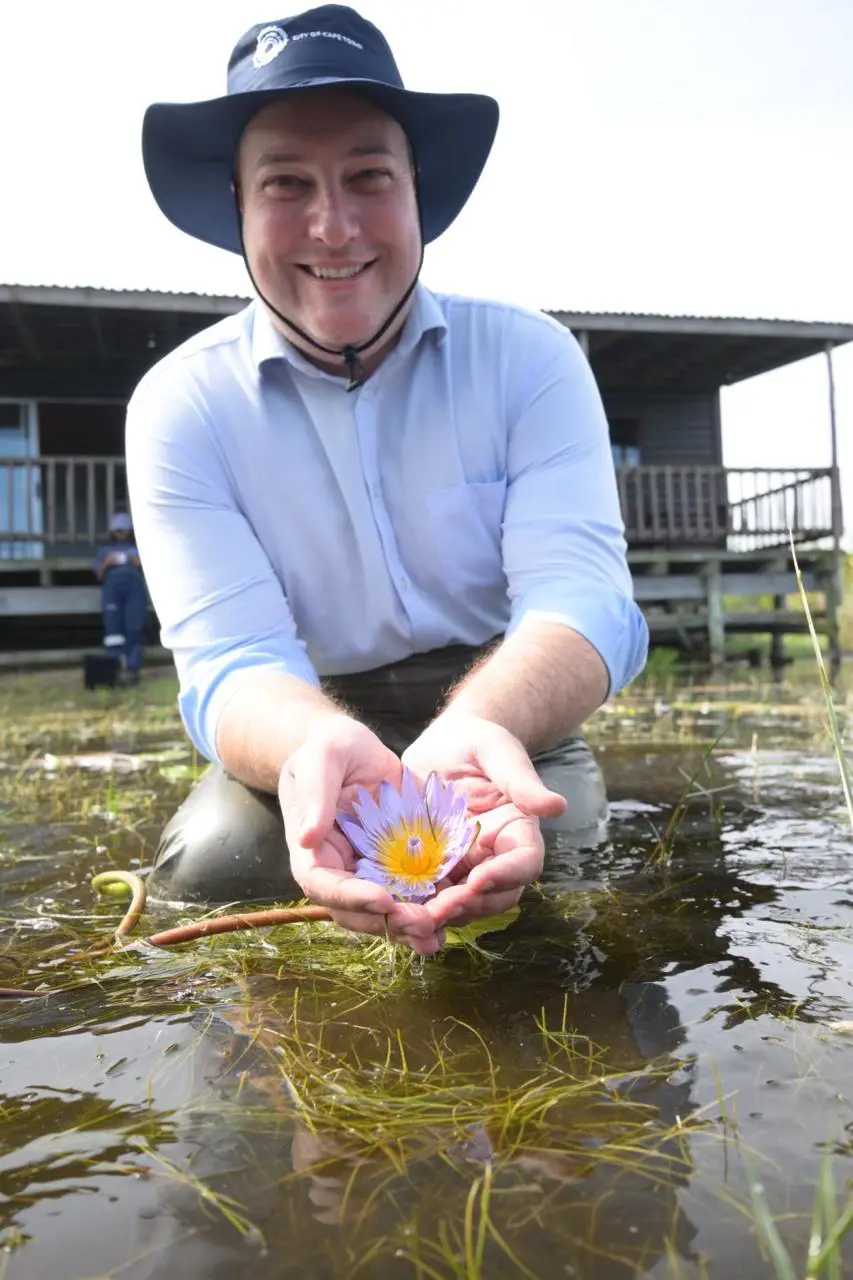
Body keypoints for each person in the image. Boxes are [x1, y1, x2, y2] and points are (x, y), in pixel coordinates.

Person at [127, 5, 649, 952]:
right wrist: (313, 748)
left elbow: (583, 599)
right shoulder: (178, 407)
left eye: (369, 175)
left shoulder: (531, 359)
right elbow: (231, 663)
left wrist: (478, 726)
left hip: (501, 705)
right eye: (286, 183)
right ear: (237, 208)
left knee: (554, 881)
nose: (333, 227)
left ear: (417, 192)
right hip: (308, 710)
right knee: (207, 870)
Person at [92, 511, 147, 685]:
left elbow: (150, 571)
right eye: (117, 530)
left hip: (134, 590)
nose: (120, 533)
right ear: (111, 531)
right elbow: (99, 576)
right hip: (112, 591)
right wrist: (107, 563)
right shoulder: (104, 551)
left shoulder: (139, 549)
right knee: (113, 630)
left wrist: (137, 561)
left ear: (129, 530)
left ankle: (133, 670)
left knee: (134, 627)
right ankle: (113, 668)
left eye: (123, 530)